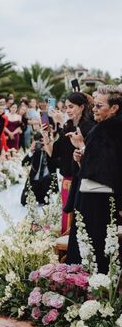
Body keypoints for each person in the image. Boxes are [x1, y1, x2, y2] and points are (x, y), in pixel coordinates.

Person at [66, 88, 122, 273]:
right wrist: (82, 152)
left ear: (114, 108)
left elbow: (106, 169)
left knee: (90, 246)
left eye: (99, 106)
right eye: (94, 105)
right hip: (95, 194)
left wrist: (83, 150)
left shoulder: (109, 129)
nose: (94, 109)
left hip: (98, 198)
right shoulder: (105, 128)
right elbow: (101, 164)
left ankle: (85, 286)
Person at [46, 92, 95, 233]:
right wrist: (45, 136)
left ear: (81, 107)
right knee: (67, 214)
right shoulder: (68, 124)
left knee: (76, 216)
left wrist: (62, 123)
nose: (67, 110)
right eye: (66, 107)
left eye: (71, 107)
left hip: (80, 178)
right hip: (67, 177)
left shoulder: (89, 126)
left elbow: (89, 152)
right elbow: (54, 153)